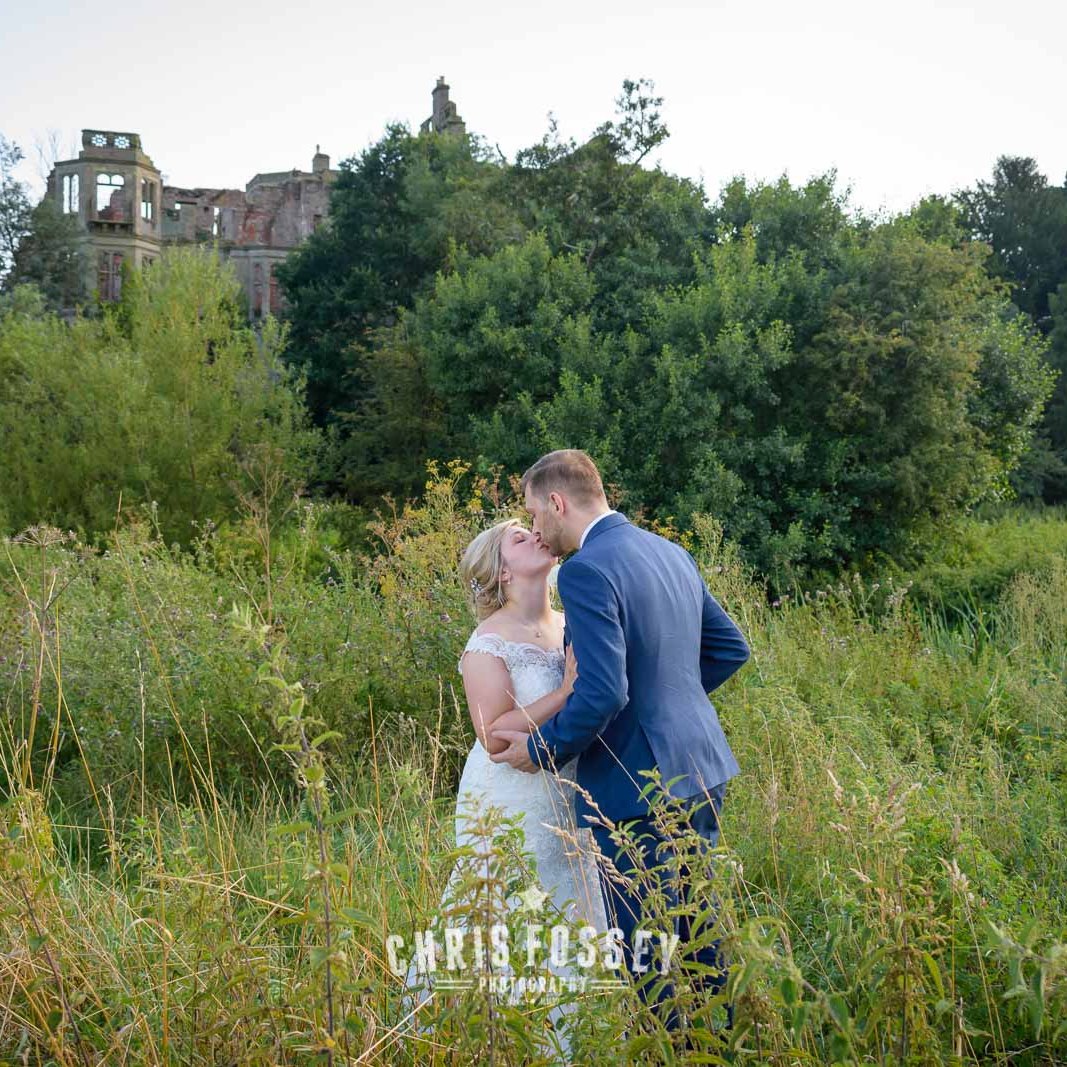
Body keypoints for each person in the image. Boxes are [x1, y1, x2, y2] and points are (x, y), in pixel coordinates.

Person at [490, 448, 751, 1034]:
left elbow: (603, 693)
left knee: (647, 956)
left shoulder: (585, 569)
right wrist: (668, 703)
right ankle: (722, 1044)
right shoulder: (670, 552)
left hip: (638, 786)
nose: (535, 528)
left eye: (534, 514)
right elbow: (730, 649)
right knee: (699, 932)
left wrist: (539, 750)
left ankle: (667, 1049)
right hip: (702, 768)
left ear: (557, 502)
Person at [400, 517, 610, 1059]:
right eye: (519, 537)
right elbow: (495, 734)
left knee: (574, 906)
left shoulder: (569, 622)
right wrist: (567, 690)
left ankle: (573, 1043)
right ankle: (479, 1032)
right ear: (498, 569)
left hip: (569, 795)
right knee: (503, 903)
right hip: (510, 796)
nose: (535, 534)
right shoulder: (487, 643)